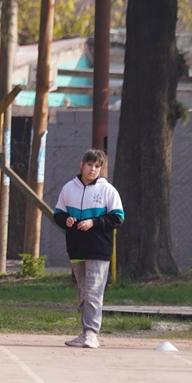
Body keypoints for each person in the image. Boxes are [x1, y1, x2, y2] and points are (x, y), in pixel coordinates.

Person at [52, 149, 125, 349]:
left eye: (97, 166)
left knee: (93, 290)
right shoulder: (69, 188)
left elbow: (118, 217)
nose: (93, 169)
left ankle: (92, 333)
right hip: (76, 249)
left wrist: (94, 222)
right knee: (82, 292)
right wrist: (65, 220)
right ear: (81, 164)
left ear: (101, 169)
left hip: (98, 249)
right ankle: (84, 333)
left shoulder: (107, 190)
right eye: (90, 165)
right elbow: (58, 213)